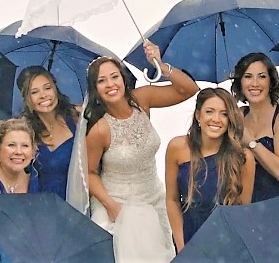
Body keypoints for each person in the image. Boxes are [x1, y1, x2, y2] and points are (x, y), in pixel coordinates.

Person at [85, 39, 199, 262]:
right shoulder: (99, 130)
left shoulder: (142, 100)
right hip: (118, 206)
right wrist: (112, 207)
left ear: (123, 78)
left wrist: (160, 63)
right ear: (96, 90)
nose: (110, 84)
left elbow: (188, 89)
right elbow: (89, 173)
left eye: (114, 76)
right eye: (102, 81)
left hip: (154, 199)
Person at [165, 87, 255, 252]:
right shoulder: (177, 148)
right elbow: (172, 200)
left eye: (224, 114)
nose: (216, 119)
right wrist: (182, 245)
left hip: (225, 244)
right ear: (198, 115)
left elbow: (242, 213)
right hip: (188, 237)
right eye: (209, 111)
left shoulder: (243, 158)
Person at [230, 52, 279, 223]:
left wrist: (251, 143)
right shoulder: (239, 115)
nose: (255, 83)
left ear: (271, 82)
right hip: (245, 209)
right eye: (248, 76)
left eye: (261, 76)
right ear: (240, 83)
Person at [17, 66, 82, 201]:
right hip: (49, 204)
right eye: (34, 92)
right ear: (27, 99)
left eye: (47, 88)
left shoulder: (76, 116)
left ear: (55, 88)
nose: (43, 95)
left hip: (82, 196)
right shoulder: (26, 134)